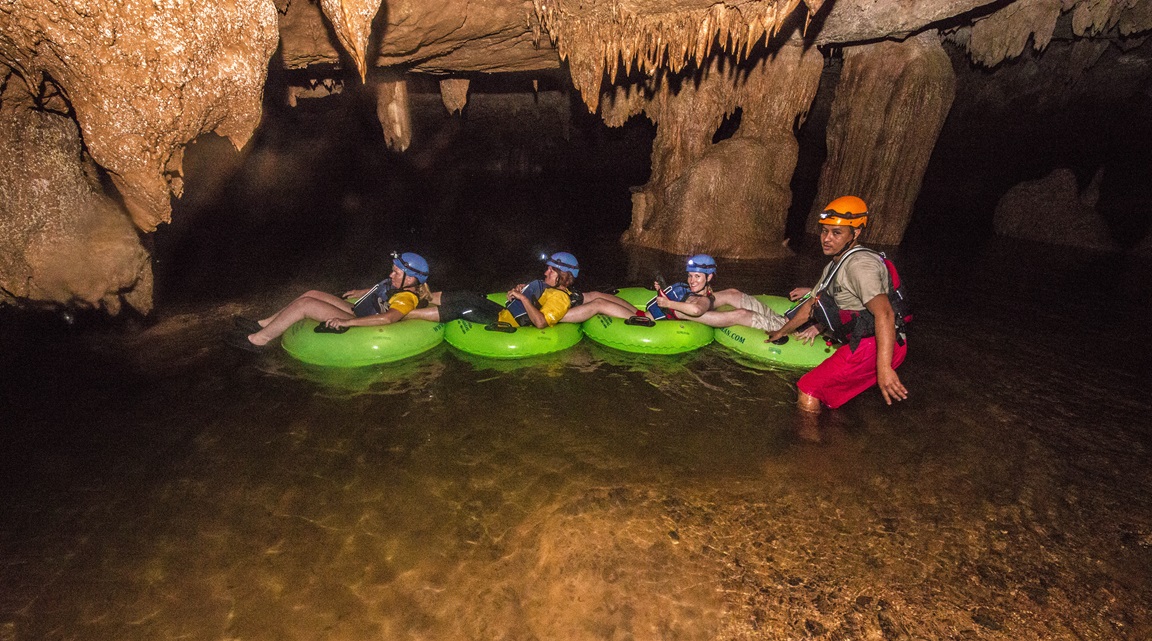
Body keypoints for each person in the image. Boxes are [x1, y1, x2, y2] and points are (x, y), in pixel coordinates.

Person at [766, 195, 909, 412]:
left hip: (874, 344)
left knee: (808, 388)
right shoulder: (836, 264)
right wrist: (781, 331)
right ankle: (835, 436)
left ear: (856, 233)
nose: (826, 238)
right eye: (825, 231)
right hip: (868, 342)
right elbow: (810, 306)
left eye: (836, 232)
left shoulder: (860, 265)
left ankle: (809, 444)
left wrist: (884, 368)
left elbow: (885, 314)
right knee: (831, 396)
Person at [226, 251, 433, 351]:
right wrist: (358, 291)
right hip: (359, 310)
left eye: (397, 271)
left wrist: (347, 322)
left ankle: (259, 340)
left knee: (305, 305)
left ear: (411, 278)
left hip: (364, 323)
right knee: (312, 293)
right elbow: (381, 289)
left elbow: (388, 319)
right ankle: (263, 324)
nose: (391, 273)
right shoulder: (398, 283)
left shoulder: (406, 297)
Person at [406, 252, 638, 328]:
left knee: (462, 308)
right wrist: (523, 291)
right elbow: (536, 294)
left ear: (563, 276)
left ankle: (409, 312)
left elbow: (540, 323)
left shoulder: (559, 298)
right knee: (467, 294)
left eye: (550, 270)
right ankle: (425, 296)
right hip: (505, 312)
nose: (545, 272)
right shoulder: (550, 288)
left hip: (509, 321)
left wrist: (522, 299)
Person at [647, 254, 789, 332]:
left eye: (697, 276)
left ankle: (784, 324)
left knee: (739, 308)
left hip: (690, 307)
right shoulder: (690, 290)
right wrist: (662, 291)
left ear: (709, 277)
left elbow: (697, 309)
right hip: (686, 306)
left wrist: (669, 303)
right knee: (733, 296)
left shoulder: (704, 299)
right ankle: (783, 322)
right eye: (690, 275)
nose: (692, 280)